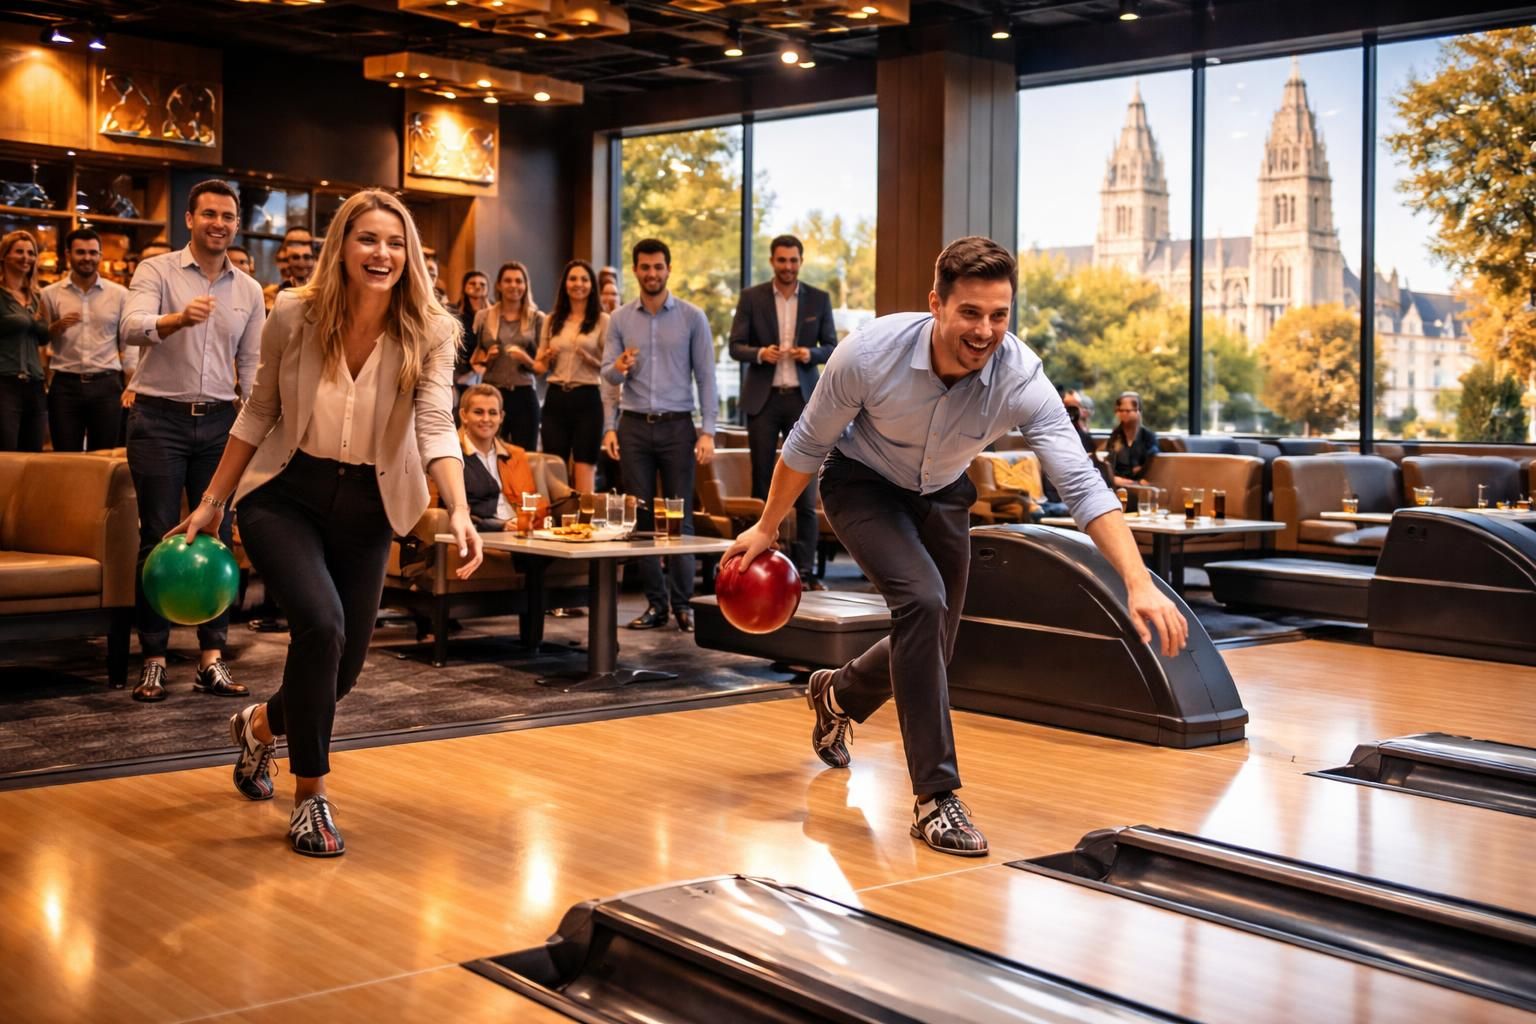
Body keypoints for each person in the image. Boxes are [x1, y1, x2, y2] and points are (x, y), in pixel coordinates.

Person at [724, 237, 1188, 857]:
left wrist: (1136, 580)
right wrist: (767, 525)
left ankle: (836, 694)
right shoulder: (869, 354)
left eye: (1000, 315)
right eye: (970, 312)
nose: (985, 330)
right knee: (921, 601)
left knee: (937, 639)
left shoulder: (1021, 377)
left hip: (943, 490)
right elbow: (805, 445)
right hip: (863, 484)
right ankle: (934, 799)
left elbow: (1080, 483)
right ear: (936, 304)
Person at [173, 188, 484, 857]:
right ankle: (310, 798)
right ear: (342, 246)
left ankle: (259, 727)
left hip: (370, 506)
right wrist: (212, 501)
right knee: (322, 625)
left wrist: (457, 507)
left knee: (339, 673)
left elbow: (434, 425)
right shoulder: (293, 312)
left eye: (395, 242)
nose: (382, 254)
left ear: (411, 256)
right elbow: (257, 412)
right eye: (368, 239)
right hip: (287, 493)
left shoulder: (432, 330)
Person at [120, 180, 265, 702]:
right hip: (158, 418)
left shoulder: (248, 290)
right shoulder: (155, 271)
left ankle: (212, 659)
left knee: (218, 536)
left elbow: (251, 366)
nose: (219, 223)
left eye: (228, 216)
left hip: (221, 425)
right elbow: (131, 327)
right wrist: (177, 319)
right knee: (158, 536)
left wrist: (253, 425)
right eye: (209, 214)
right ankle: (154, 660)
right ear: (189, 218)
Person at [601, 238, 716, 633]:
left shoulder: (692, 317)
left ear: (669, 269)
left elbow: (706, 378)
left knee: (679, 517)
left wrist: (708, 432)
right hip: (633, 425)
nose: (652, 273)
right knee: (642, 520)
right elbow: (607, 376)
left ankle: (684, 605)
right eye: (645, 267)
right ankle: (656, 605)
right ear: (635, 270)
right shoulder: (619, 319)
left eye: (658, 267)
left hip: (678, 426)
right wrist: (610, 423)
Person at [728, 234, 838, 589]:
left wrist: (811, 354)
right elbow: (735, 346)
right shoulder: (751, 297)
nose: (787, 266)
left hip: (803, 400)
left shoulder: (819, 299)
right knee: (763, 484)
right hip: (764, 399)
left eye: (793, 260)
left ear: (800, 262)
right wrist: (761, 353)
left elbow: (833, 347)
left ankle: (804, 571)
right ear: (772, 261)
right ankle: (762, 564)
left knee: (805, 487)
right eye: (781, 260)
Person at [40, 227, 135, 451]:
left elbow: (128, 342)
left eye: (93, 253)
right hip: (65, 385)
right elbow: (41, 339)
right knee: (65, 455)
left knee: (104, 456)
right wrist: (56, 328)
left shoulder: (119, 294)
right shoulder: (49, 294)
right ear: (68, 255)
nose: (87, 258)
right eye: (80, 252)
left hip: (107, 384)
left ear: (100, 256)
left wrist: (131, 383)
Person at [534, 259, 609, 494]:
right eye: (573, 278)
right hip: (556, 396)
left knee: (585, 464)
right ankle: (559, 522)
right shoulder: (551, 319)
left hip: (587, 397)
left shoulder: (602, 320)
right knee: (554, 464)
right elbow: (538, 367)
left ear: (592, 285)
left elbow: (609, 368)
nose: (578, 284)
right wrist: (546, 356)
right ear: (565, 284)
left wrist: (591, 360)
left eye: (584, 279)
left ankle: (585, 524)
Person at [456, 383, 556, 530]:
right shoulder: (453, 457)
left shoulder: (515, 455)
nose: (486, 419)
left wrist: (527, 521)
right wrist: (501, 525)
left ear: (501, 417)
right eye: (478, 412)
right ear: (464, 415)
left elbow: (530, 501)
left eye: (492, 413)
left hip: (524, 530)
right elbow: (450, 510)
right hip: (485, 533)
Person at [470, 262, 542, 450]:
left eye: (519, 281)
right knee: (489, 452)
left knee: (525, 458)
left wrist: (525, 358)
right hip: (492, 393)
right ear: (499, 285)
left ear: (526, 286)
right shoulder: (483, 317)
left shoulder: (537, 319)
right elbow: (473, 360)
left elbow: (543, 368)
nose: (513, 285)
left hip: (524, 393)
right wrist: (487, 359)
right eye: (508, 280)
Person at [0, 230, 48, 451]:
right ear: (4, 255)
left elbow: (43, 338)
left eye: (31, 253)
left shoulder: (38, 297)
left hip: (35, 384)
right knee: (6, 453)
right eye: (19, 251)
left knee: (33, 454)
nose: (26, 257)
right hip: (5, 382)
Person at [1105, 390, 1159, 487]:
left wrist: (1138, 481)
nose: (1123, 414)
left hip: (1141, 486)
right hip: (1117, 485)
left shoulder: (1148, 437)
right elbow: (1108, 463)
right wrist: (1112, 478)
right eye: (1120, 410)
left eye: (1128, 411)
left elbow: (1152, 467)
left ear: (1138, 411)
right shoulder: (1115, 435)